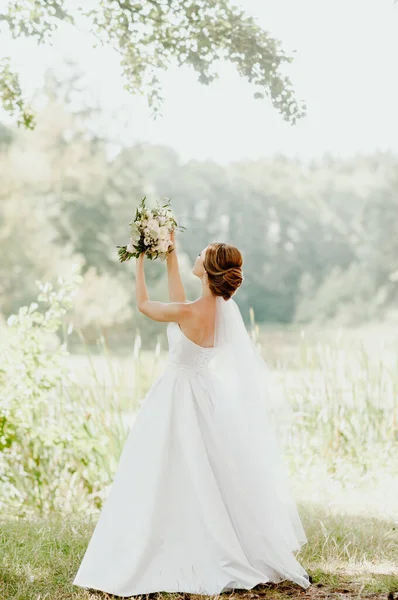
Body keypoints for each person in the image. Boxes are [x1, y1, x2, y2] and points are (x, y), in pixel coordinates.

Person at [73, 231, 311, 596]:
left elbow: (144, 305)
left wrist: (138, 261)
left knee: (162, 467)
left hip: (175, 395)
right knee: (206, 470)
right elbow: (180, 301)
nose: (194, 258)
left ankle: (161, 544)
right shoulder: (218, 313)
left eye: (198, 255)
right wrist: (170, 254)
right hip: (203, 394)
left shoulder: (187, 312)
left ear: (207, 270)